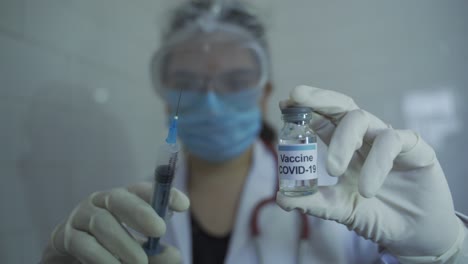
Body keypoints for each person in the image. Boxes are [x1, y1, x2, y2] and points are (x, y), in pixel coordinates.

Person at [41, 1, 468, 263]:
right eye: (189, 82)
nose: (210, 100)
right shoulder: (131, 217)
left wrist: (446, 253)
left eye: (233, 81)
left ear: (264, 92)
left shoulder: (343, 197)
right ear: (165, 92)